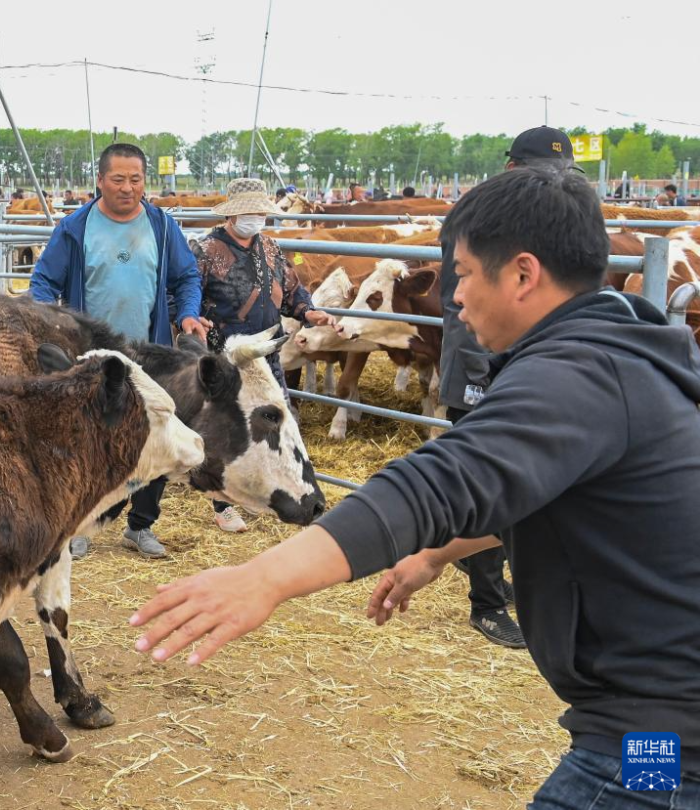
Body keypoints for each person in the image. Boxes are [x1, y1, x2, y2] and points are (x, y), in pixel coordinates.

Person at [131, 167, 700, 807]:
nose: (451, 297)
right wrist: (435, 555)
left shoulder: (577, 376)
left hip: (656, 735)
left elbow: (437, 482)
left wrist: (264, 578)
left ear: (522, 274)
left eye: (461, 273)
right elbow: (527, 487)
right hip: (653, 714)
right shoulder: (617, 347)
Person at [439, 126, 583, 648]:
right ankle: (486, 604)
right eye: (546, 175)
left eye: (562, 176)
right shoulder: (480, 217)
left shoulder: (539, 216)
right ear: (512, 170)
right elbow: (460, 301)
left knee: (526, 482)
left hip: (523, 367)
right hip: (483, 366)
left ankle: (495, 575)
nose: (555, 185)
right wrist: (485, 376)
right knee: (487, 487)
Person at [30, 142, 209, 560]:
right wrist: (49, 322)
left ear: (145, 181)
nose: (127, 188)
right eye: (118, 179)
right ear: (99, 180)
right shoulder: (76, 227)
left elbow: (187, 278)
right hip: (94, 356)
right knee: (91, 440)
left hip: (149, 352)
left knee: (155, 436)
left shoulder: (163, 227)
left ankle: (140, 526)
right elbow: (43, 280)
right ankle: (82, 526)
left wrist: (187, 315)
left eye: (135, 179)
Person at [194, 178, 337, 533]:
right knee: (231, 430)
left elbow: (292, 291)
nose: (257, 218)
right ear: (233, 213)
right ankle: (223, 502)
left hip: (268, 352)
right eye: (250, 211)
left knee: (281, 423)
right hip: (227, 356)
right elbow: (185, 296)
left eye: (261, 212)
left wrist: (309, 312)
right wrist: (191, 319)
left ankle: (284, 490)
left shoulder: (271, 249)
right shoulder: (205, 250)